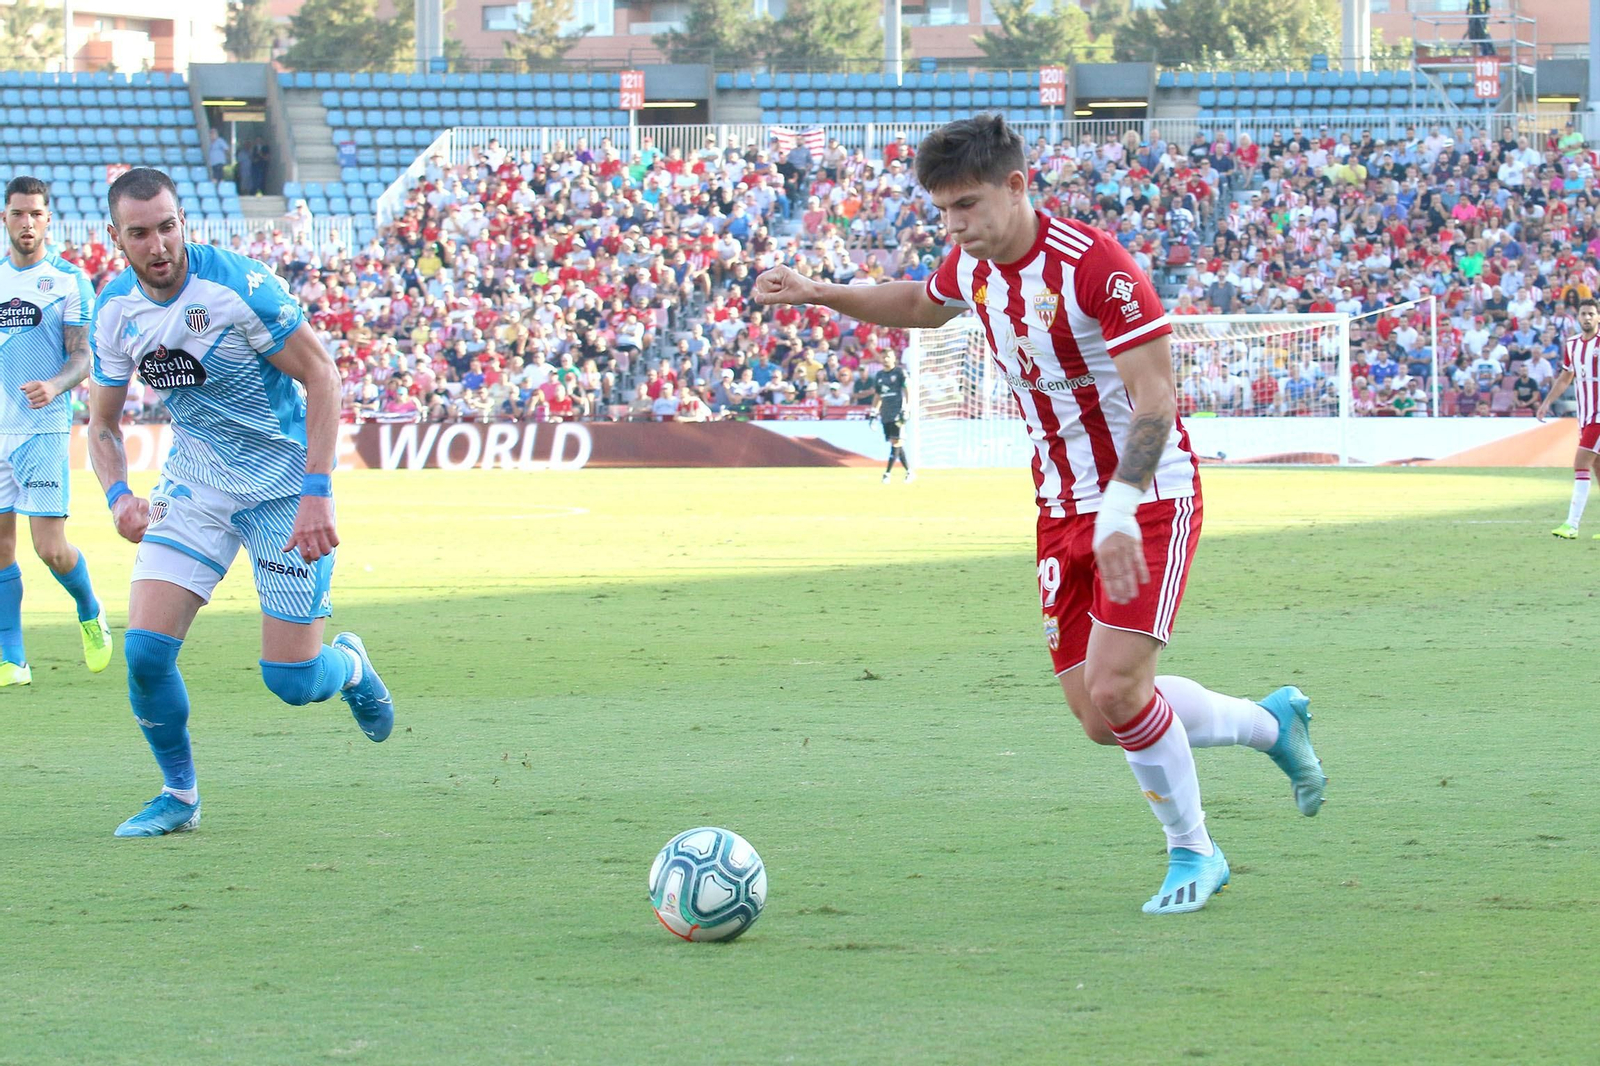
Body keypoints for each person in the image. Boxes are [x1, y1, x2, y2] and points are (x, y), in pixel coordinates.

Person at [754, 115, 1324, 915]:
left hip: (1148, 495)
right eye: (943, 212)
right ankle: (1271, 725)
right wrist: (823, 292)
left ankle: (1195, 851)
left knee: (1121, 689)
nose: (954, 226)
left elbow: (1155, 398)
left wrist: (1122, 505)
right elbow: (922, 302)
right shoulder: (973, 265)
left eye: (967, 206)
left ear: (1018, 187)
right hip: (1059, 507)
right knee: (1101, 715)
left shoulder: (1099, 271)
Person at [87, 168, 394, 838]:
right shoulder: (112, 312)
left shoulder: (239, 286)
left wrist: (317, 491)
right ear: (116, 238)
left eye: (168, 225)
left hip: (285, 485)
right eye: (140, 233)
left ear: (183, 222)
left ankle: (350, 667)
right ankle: (180, 795)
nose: (159, 243)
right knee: (144, 653)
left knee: (290, 679)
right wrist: (117, 499)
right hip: (198, 481)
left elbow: (322, 375)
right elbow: (103, 425)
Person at [0, 176, 114, 685]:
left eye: (35, 214)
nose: (27, 222)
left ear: (48, 220)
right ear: (5, 218)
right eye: (18, 213)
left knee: (50, 548)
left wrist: (55, 384)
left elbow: (83, 356)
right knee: (1, 549)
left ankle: (90, 611)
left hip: (43, 429)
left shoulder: (68, 280)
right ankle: (12, 659)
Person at [1538, 298, 1600, 539]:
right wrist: (1546, 403)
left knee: (1580, 463)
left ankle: (1571, 525)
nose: (1587, 317)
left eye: (1591, 314)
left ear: (1598, 317)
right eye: (1583, 313)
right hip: (1584, 416)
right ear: (1578, 318)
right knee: (1596, 467)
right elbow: (1566, 377)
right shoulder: (1572, 344)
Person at [870, 348, 912, 483]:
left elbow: (907, 390)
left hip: (898, 411)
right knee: (896, 443)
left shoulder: (900, 372)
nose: (886, 359)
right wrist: (874, 412)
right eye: (883, 357)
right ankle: (909, 472)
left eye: (888, 356)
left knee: (896, 442)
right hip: (885, 413)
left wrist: (907, 408)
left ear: (894, 358)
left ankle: (887, 474)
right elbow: (878, 395)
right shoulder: (879, 375)